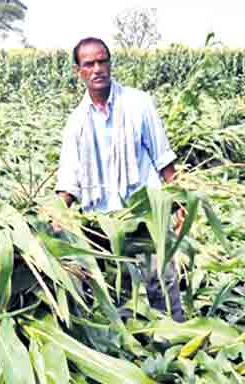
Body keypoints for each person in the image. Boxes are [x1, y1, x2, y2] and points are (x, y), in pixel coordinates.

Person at [55, 36, 186, 321]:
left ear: (110, 64)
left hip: (147, 213)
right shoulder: (76, 122)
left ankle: (176, 334)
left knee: (161, 279)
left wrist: (178, 202)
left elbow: (163, 157)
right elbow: (69, 178)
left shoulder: (139, 103)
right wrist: (54, 215)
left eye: (103, 61)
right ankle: (134, 342)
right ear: (79, 72)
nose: (97, 68)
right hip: (103, 222)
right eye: (89, 64)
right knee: (119, 287)